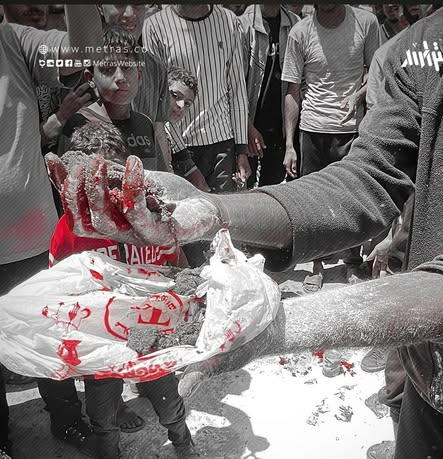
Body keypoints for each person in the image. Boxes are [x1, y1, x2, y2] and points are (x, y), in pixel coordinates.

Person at [55, 4, 443, 459]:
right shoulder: (430, 45)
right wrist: (210, 211)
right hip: (433, 364)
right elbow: (364, 181)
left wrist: (275, 326)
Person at [51, 121, 204, 459]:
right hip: (101, 340)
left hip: (150, 333)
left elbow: (175, 265)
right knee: (101, 412)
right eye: (93, 181)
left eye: (112, 177)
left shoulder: (147, 218)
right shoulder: (71, 228)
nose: (104, 190)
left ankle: (182, 441)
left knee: (168, 401)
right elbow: (58, 287)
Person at [0, 5, 103, 459]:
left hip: (32, 233)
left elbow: (82, 51)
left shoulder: (13, 40)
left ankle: (67, 418)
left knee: (49, 331)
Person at [281, 3, 382, 292]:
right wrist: (289, 145)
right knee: (313, 202)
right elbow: (292, 90)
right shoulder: (300, 32)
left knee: (352, 197)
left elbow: (378, 74)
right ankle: (317, 264)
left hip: (351, 128)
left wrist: (359, 95)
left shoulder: (366, 23)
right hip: (313, 128)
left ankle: (352, 261)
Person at [143, 4, 251, 194]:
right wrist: (186, 162)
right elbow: (156, 99)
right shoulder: (155, 25)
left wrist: (241, 150)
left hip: (222, 144)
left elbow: (237, 88)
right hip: (179, 146)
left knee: (225, 210)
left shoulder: (229, 22)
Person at [97, 3, 171, 173]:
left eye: (138, 4)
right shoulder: (78, 65)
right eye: (120, 4)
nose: (129, 14)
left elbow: (158, 130)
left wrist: (165, 178)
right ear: (100, 6)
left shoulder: (155, 66)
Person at [239, 4, 299, 187]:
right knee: (244, 190)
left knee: (272, 190)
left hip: (280, 128)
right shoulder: (243, 25)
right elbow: (234, 84)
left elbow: (298, 83)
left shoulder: (294, 24)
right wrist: (247, 126)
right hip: (249, 124)